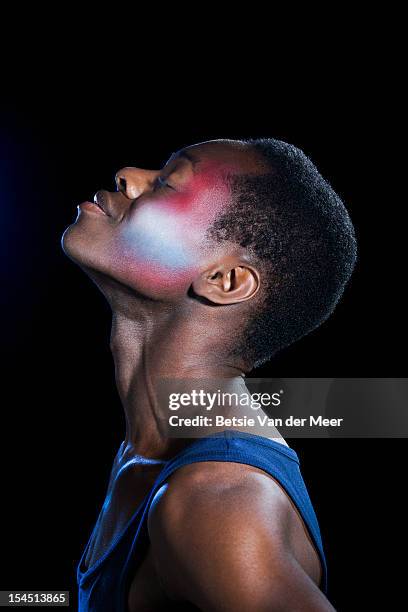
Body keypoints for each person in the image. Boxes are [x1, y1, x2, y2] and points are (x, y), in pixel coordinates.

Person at [62, 138, 356, 611]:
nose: (127, 175)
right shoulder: (153, 447)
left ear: (225, 281)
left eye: (167, 183)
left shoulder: (214, 502)